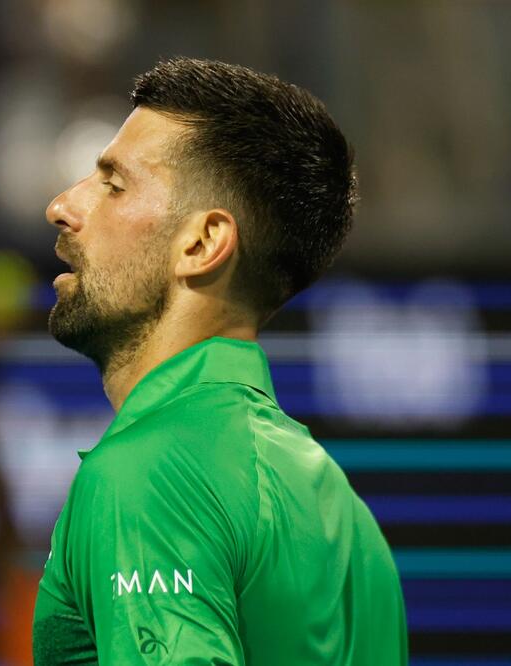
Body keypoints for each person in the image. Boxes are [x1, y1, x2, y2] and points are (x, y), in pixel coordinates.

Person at [32, 58, 407, 665]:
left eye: (113, 184)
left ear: (203, 243)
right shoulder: (343, 513)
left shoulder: (146, 474)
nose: (62, 205)